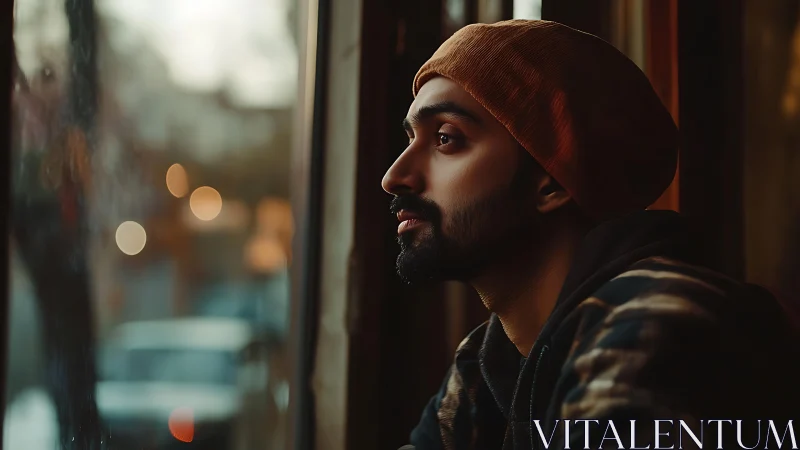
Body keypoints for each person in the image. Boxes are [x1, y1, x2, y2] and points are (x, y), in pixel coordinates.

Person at [381, 20, 800, 450]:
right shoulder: (490, 362)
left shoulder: (653, 322)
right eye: (411, 138)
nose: (394, 176)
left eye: (447, 139)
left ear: (553, 181)